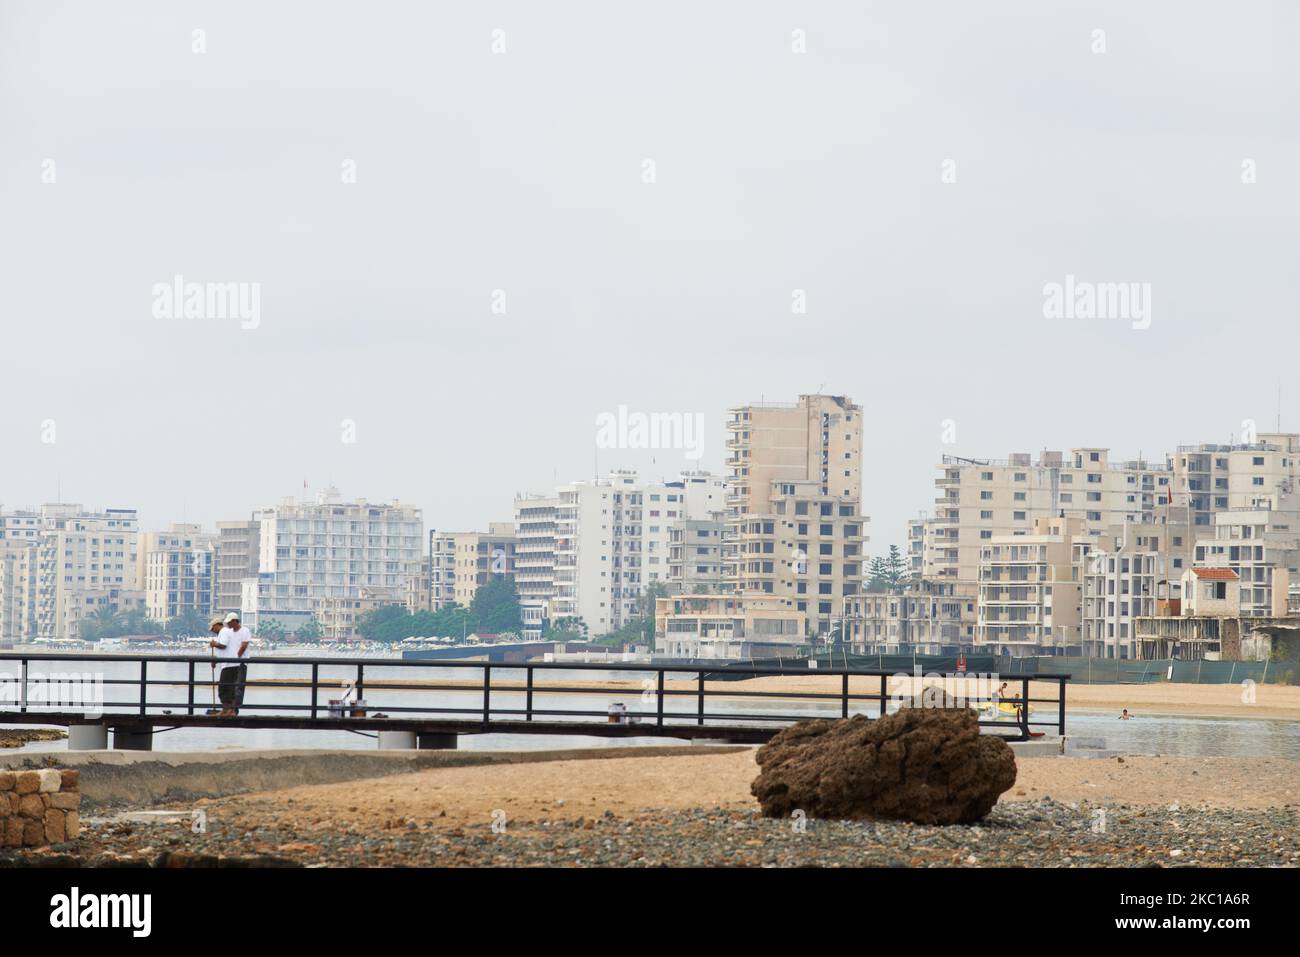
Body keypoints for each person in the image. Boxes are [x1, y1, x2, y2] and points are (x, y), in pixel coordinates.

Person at [210, 612, 251, 717]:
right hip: (229, 662)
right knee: (227, 688)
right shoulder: (230, 632)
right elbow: (227, 650)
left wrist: (236, 658)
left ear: (234, 621)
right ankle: (227, 709)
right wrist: (217, 660)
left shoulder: (244, 630)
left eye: (229, 622)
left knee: (235, 688)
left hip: (237, 663)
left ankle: (232, 710)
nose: (228, 624)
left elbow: (243, 646)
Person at [205, 616, 224, 715]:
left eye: (213, 628)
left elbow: (223, 646)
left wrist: (214, 644)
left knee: (224, 688)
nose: (213, 631)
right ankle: (226, 709)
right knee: (223, 688)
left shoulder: (223, 633)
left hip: (229, 665)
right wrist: (215, 661)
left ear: (217, 625)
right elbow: (221, 652)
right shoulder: (220, 634)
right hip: (225, 664)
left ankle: (227, 710)